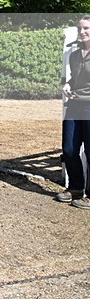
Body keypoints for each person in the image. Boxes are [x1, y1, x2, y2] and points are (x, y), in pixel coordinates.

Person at [58, 15, 90, 209]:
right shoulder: (74, 55)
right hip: (74, 105)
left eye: (86, 28)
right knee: (69, 148)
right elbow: (74, 79)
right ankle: (76, 188)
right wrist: (68, 85)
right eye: (80, 28)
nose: (82, 32)